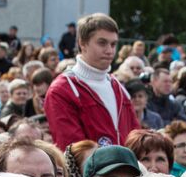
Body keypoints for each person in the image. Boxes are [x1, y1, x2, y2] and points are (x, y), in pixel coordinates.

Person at [44, 14, 135, 149]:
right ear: (82, 43)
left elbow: (135, 140)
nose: (109, 50)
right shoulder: (62, 90)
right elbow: (73, 151)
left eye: (113, 44)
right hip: (90, 169)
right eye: (102, 43)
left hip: (127, 169)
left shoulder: (118, 87)